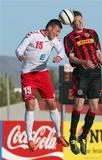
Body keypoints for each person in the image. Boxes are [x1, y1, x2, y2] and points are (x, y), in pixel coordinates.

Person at [64, 11, 102, 155]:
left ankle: (83, 136)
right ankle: (73, 137)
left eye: (80, 20)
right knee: (79, 104)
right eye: (76, 21)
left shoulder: (92, 33)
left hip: (96, 73)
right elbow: (71, 58)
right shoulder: (69, 38)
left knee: (94, 106)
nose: (79, 23)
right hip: (81, 73)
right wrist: (83, 62)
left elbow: (99, 53)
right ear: (71, 23)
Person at [15, 19, 69, 152]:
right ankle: (30, 139)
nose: (57, 35)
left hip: (43, 74)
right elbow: (18, 49)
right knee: (30, 104)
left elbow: (62, 51)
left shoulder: (54, 40)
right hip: (28, 75)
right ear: (50, 28)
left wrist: (59, 57)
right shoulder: (33, 35)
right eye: (57, 31)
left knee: (52, 104)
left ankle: (59, 135)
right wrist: (20, 55)